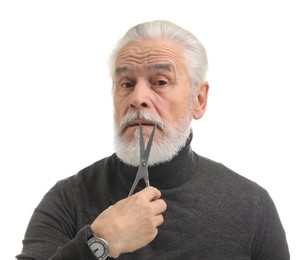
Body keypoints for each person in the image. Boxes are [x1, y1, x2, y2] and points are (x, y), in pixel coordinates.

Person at [17, 20, 289, 259]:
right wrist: (99, 242)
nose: (137, 99)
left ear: (199, 99)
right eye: (126, 84)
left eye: (160, 81)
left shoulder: (252, 207)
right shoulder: (68, 199)